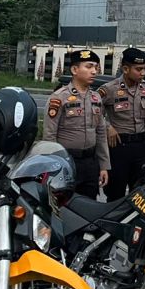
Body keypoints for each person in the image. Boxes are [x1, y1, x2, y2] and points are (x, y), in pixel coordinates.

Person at [43, 49, 110, 198]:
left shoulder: (96, 98)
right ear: (74, 69)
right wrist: (53, 166)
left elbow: (101, 133)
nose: (94, 71)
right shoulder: (59, 98)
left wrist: (104, 166)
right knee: (64, 206)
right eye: (89, 67)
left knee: (88, 206)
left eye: (96, 67)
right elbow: (49, 135)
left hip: (90, 163)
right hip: (67, 161)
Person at [98, 47, 145, 201]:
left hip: (140, 147)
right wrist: (107, 126)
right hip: (119, 148)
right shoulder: (109, 89)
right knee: (116, 193)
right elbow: (92, 112)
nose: (142, 73)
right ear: (125, 69)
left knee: (141, 195)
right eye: (138, 69)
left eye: (144, 69)